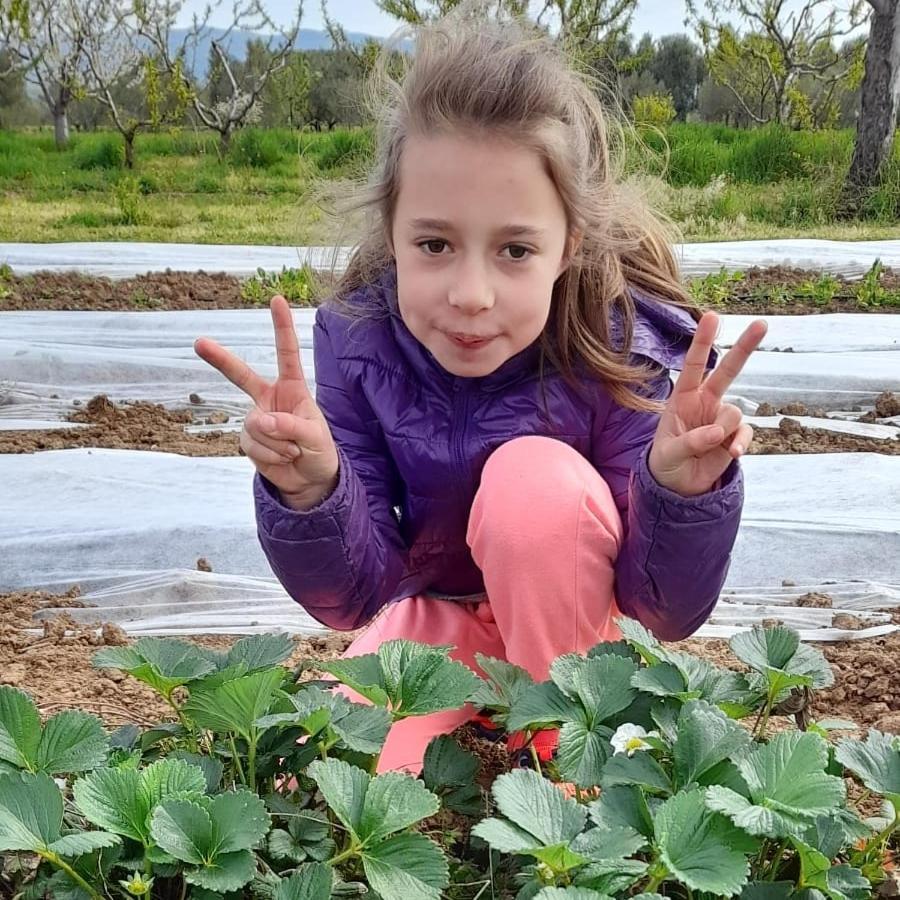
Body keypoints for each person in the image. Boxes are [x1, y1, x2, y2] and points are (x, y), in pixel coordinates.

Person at [194, 8, 767, 775]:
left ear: (569, 247)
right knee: (337, 765)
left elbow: (666, 612)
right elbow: (355, 597)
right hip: (443, 623)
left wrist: (680, 493)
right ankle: (482, 717)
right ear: (391, 232)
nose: (470, 294)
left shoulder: (614, 347)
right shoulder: (358, 339)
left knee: (534, 484)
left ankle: (564, 754)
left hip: (576, 638)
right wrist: (314, 491)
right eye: (434, 245)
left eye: (514, 250)